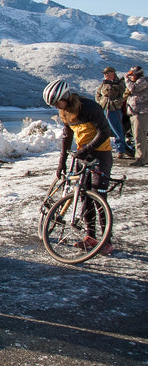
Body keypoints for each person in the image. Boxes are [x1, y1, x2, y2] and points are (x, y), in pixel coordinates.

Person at [43, 79, 114, 253]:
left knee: (99, 198)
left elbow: (105, 132)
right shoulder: (64, 111)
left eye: (57, 103)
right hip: (83, 155)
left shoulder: (89, 107)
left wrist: (87, 149)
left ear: (66, 96)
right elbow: (67, 137)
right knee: (84, 197)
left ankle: (106, 241)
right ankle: (91, 236)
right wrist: (62, 162)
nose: (56, 107)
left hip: (101, 155)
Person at [96, 67, 134, 158]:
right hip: (105, 109)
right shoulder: (104, 83)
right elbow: (98, 94)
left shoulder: (119, 82)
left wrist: (116, 103)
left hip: (114, 109)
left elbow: (123, 95)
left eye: (107, 73)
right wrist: (101, 102)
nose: (105, 75)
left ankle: (120, 149)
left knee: (117, 129)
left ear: (112, 73)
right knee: (103, 130)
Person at [125, 66, 148, 167]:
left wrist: (126, 79)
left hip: (141, 113)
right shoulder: (137, 81)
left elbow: (133, 88)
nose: (131, 77)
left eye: (132, 75)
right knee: (138, 135)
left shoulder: (143, 81)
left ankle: (140, 158)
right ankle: (145, 157)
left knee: (139, 136)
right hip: (135, 113)